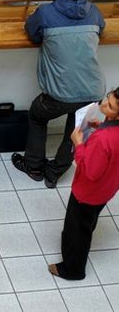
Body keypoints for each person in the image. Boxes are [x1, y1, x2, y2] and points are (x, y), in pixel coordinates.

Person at [11, 0, 106, 188]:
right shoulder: (94, 11)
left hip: (59, 95)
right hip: (94, 90)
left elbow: (32, 32)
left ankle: (34, 166)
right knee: (78, 132)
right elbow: (100, 29)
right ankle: (55, 172)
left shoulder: (45, 14)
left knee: (37, 115)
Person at [48, 88, 119, 280]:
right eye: (107, 99)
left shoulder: (104, 140)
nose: (104, 105)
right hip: (107, 188)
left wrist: (78, 144)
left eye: (110, 106)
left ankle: (72, 270)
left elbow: (91, 171)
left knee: (77, 230)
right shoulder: (111, 131)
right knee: (87, 223)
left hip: (88, 192)